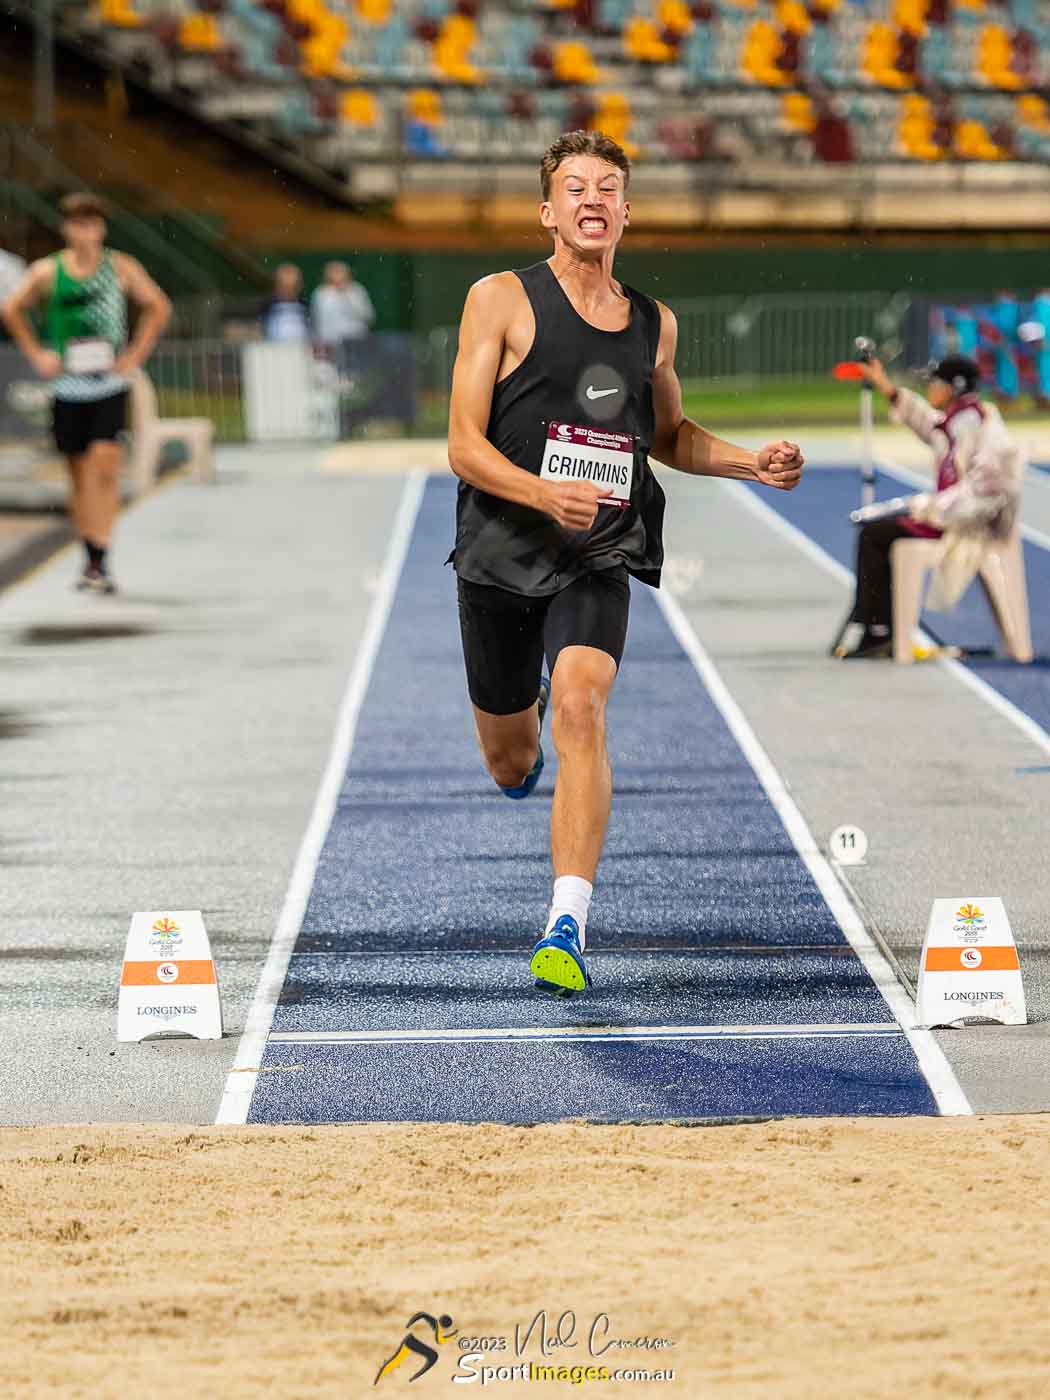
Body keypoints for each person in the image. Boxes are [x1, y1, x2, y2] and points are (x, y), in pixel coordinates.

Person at [446, 129, 804, 996]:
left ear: (627, 212)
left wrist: (749, 460)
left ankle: (566, 923)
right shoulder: (498, 299)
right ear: (548, 211)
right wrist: (538, 493)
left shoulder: (654, 322)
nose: (592, 199)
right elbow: (461, 445)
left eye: (608, 187)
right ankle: (516, 720)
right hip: (501, 550)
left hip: (599, 551)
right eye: (575, 188)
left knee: (583, 709)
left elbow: (671, 436)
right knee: (508, 761)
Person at [1, 192, 171, 593]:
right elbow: (11, 309)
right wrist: (37, 353)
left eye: (92, 224)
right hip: (67, 386)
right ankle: (91, 557)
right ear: (66, 228)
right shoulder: (47, 272)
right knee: (79, 476)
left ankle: (103, 551)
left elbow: (158, 306)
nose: (85, 232)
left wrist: (134, 355)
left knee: (107, 465)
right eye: (77, 224)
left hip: (109, 383)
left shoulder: (120, 267)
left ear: (102, 228)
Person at [841, 353, 1020, 659]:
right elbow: (923, 420)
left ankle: (879, 631)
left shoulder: (979, 425)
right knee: (876, 530)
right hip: (951, 517)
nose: (930, 389)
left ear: (955, 387)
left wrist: (931, 509)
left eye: (935, 383)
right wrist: (884, 385)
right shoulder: (956, 420)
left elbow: (986, 490)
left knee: (875, 534)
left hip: (969, 526)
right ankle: (880, 628)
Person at [310, 260, 375, 373]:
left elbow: (368, 316)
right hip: (330, 343)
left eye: (340, 272)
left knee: (354, 374)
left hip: (355, 342)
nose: (337, 276)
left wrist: (346, 294)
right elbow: (317, 320)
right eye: (334, 272)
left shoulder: (357, 291)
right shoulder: (321, 293)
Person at [260, 263, 311, 343]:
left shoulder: (307, 310)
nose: (288, 292)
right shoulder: (265, 308)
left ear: (299, 287)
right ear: (276, 286)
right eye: (284, 287)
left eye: (292, 287)